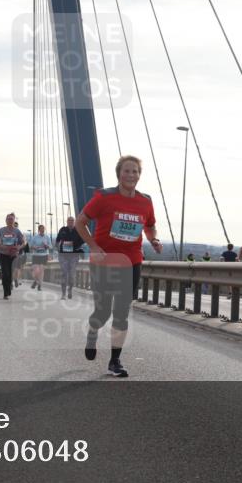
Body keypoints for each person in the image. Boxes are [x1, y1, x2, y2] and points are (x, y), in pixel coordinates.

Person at [76, 155, 162, 378]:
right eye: (127, 171)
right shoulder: (104, 197)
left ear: (139, 175)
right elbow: (80, 222)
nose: (131, 175)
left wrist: (153, 239)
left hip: (131, 262)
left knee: (122, 313)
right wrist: (93, 246)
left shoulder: (145, 201)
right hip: (104, 262)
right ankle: (93, 330)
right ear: (119, 174)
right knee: (103, 311)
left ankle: (115, 361)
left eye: (135, 171)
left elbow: (150, 225)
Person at [0, 213, 25, 299]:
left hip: (13, 255)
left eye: (11, 219)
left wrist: (18, 247)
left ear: (14, 221)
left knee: (11, 273)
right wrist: (0, 246)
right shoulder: (1, 230)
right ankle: (6, 293)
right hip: (3, 254)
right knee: (5, 273)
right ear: (6, 220)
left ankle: (9, 286)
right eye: (8, 219)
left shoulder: (17, 231)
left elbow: (23, 242)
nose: (10, 221)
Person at [55, 216, 85, 299]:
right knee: (64, 273)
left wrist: (78, 248)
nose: (70, 222)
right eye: (69, 220)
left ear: (74, 222)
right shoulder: (63, 230)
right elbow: (57, 241)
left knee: (71, 275)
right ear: (67, 221)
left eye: (72, 220)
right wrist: (58, 249)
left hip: (74, 256)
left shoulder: (78, 230)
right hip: (63, 255)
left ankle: (70, 289)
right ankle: (63, 294)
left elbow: (83, 241)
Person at [29, 224, 52, 291]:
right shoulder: (35, 237)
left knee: (41, 271)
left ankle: (40, 285)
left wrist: (46, 246)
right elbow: (30, 246)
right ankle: (36, 281)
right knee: (36, 271)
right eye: (41, 229)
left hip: (44, 255)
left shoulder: (47, 237)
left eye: (43, 229)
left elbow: (50, 246)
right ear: (39, 230)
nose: (42, 230)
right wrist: (35, 247)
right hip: (36, 255)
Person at [13, 220, 27, 288]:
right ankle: (13, 280)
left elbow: (24, 243)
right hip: (11, 254)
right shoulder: (10, 234)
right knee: (13, 268)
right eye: (14, 226)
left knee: (16, 268)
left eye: (16, 226)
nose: (15, 227)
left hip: (18, 254)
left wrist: (19, 248)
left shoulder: (20, 234)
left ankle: (15, 279)